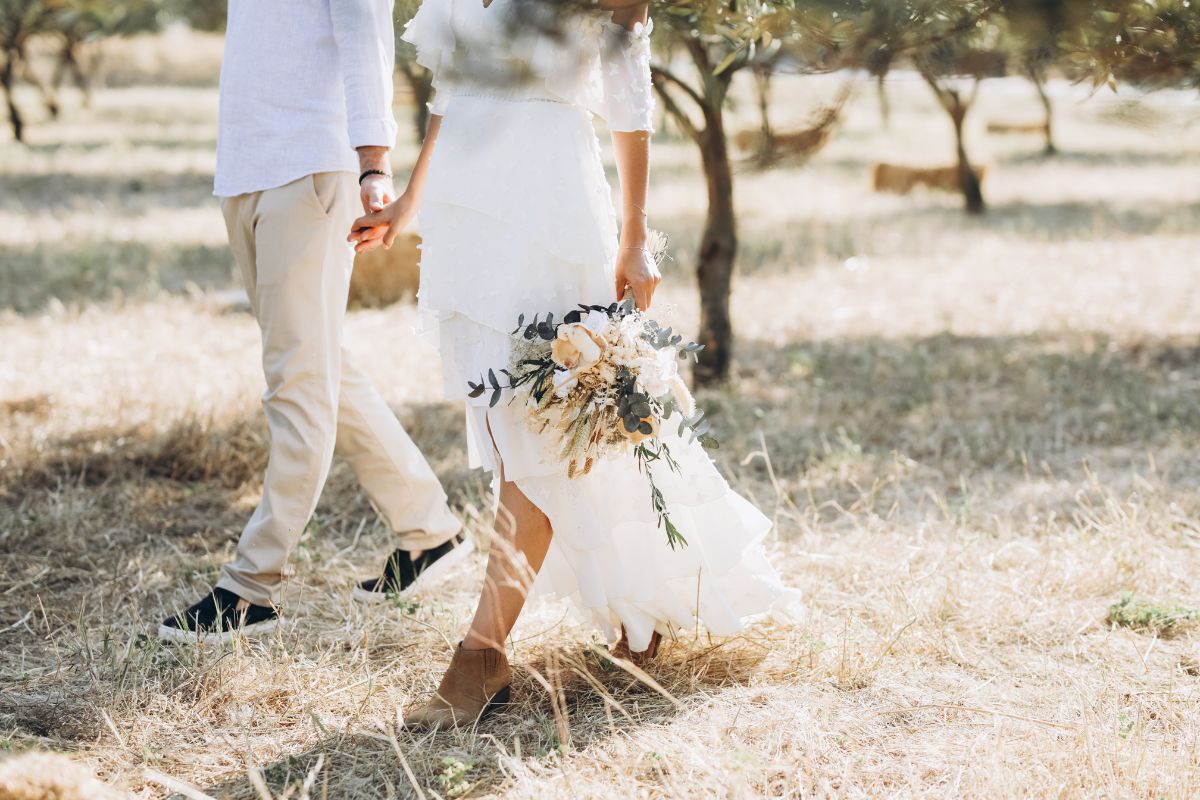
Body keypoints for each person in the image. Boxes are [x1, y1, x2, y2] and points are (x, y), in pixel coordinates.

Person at [350, 0, 799, 728]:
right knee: (531, 435)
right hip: (469, 219)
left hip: (549, 209)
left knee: (549, 427)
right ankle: (640, 606)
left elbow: (628, 91)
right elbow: (451, 96)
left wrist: (633, 236)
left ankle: (481, 655)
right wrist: (407, 204)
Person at [158, 0, 470, 644]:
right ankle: (429, 529)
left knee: (296, 381)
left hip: (309, 168)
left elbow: (363, 36)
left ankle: (252, 590)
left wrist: (374, 166)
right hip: (246, 167)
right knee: (319, 362)